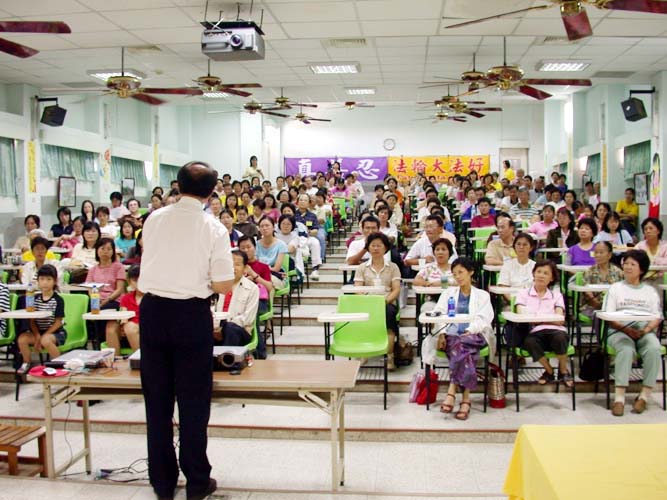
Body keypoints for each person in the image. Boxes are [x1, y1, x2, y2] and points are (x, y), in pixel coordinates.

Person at [138, 161, 233, 500]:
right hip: (191, 315)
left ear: (177, 185)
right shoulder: (214, 228)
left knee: (157, 400)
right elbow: (223, 284)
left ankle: (162, 482)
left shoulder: (154, 218)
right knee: (193, 401)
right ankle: (196, 481)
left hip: (153, 312)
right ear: (212, 191)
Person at [427, 257, 494, 420]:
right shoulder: (448, 293)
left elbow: (484, 318)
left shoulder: (483, 295)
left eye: (461, 272)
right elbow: (439, 314)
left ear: (471, 272)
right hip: (452, 336)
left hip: (476, 335)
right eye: (454, 273)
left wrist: (470, 330)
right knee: (463, 348)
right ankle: (466, 399)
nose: (457, 277)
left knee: (462, 344)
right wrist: (441, 333)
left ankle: (451, 391)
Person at [602, 249, 663, 416]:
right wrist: (627, 330)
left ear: (641, 269)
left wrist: (646, 330)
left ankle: (644, 396)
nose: (628, 267)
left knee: (654, 348)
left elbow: (657, 316)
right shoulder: (615, 288)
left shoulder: (650, 291)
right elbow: (608, 317)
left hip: (644, 329)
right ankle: (619, 398)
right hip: (619, 329)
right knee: (626, 349)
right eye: (626, 263)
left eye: (632, 264)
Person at [515, 260, 573, 387]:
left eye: (546, 273)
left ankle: (563, 370)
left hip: (556, 330)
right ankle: (549, 370)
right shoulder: (523, 293)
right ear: (533, 274)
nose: (541, 275)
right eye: (539, 272)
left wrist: (537, 318)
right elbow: (521, 314)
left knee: (560, 338)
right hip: (535, 331)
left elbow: (559, 319)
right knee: (529, 342)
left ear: (552, 278)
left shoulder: (556, 295)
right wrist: (548, 317)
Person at [353, 232, 401, 370]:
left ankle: (390, 356)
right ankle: (364, 352)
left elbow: (396, 290)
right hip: (367, 302)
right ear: (368, 248)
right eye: (373, 245)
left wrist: (384, 301)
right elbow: (358, 289)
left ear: (385, 248)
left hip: (387, 302)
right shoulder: (362, 267)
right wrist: (368, 302)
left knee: (389, 316)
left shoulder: (393, 267)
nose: (375, 248)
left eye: (379, 245)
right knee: (362, 317)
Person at [16, 265, 66, 373]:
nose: (45, 282)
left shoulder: (58, 300)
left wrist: (42, 336)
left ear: (55, 281)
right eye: (42, 279)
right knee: (22, 339)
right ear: (37, 281)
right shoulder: (34, 299)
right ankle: (26, 363)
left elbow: (58, 322)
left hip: (55, 333)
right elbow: (32, 321)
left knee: (45, 340)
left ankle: (60, 365)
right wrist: (37, 335)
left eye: (48, 279)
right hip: (38, 332)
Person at [212, 250, 258, 347]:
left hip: (240, 331)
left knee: (230, 328)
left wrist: (223, 328)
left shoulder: (252, 288)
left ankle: (227, 356)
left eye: (237, 264)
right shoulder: (216, 285)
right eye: (230, 264)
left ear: (245, 268)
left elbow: (247, 319)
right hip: (214, 328)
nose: (233, 268)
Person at [105, 264, 142, 356]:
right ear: (129, 281)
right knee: (111, 325)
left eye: (141, 280)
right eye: (135, 280)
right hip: (126, 331)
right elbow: (123, 315)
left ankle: (140, 360)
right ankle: (115, 359)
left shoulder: (152, 298)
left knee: (130, 327)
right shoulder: (126, 298)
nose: (138, 284)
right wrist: (122, 325)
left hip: (143, 330)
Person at [579, 241, 624, 315]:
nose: (598, 255)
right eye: (596, 252)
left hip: (613, 306)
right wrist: (600, 306)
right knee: (600, 315)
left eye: (601, 252)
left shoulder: (618, 272)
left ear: (609, 255)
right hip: (592, 307)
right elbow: (587, 293)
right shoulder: (589, 271)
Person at [256, 216, 288, 288]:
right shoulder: (256, 244)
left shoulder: (281, 245)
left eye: (267, 225)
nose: (264, 228)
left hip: (275, 276)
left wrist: (261, 270)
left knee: (266, 282)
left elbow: (276, 269)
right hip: (259, 276)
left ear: (273, 227)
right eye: (262, 226)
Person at [634, 217, 667, 286]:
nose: (648, 231)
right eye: (645, 229)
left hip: (662, 280)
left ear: (658, 231)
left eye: (651, 228)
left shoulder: (665, 246)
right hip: (642, 279)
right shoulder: (640, 246)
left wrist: (654, 261)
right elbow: (630, 259)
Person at [295, 194, 326, 262]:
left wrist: (309, 232)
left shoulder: (312, 215)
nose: (303, 202)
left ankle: (316, 263)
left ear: (309, 203)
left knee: (316, 242)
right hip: (295, 237)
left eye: (305, 200)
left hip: (308, 236)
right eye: (301, 200)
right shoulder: (293, 214)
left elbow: (315, 230)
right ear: (297, 202)